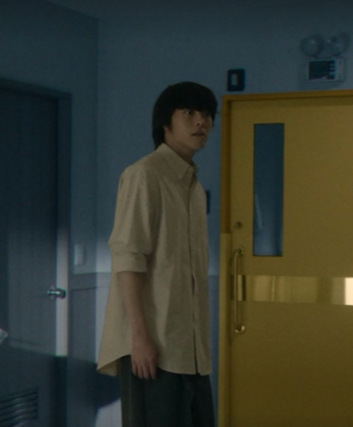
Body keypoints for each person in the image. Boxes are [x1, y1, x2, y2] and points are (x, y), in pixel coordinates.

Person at [97, 81, 218, 427]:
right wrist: (139, 337)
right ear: (166, 122)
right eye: (189, 112)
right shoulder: (144, 175)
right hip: (154, 345)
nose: (201, 122)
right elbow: (128, 258)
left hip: (190, 348)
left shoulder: (193, 186)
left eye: (207, 114)